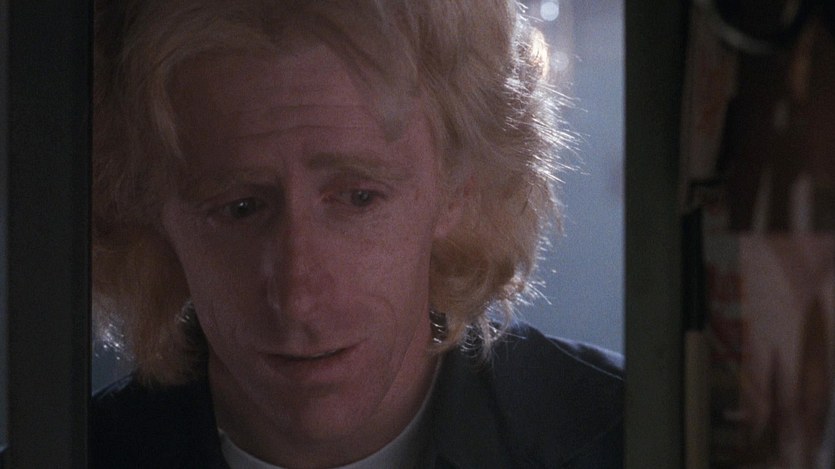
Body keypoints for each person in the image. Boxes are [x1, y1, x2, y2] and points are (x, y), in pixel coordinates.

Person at [91, 0, 624, 467]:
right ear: (149, 212)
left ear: (459, 187)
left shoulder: (631, 439)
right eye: (241, 208)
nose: (298, 298)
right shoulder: (70, 449)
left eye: (359, 198)